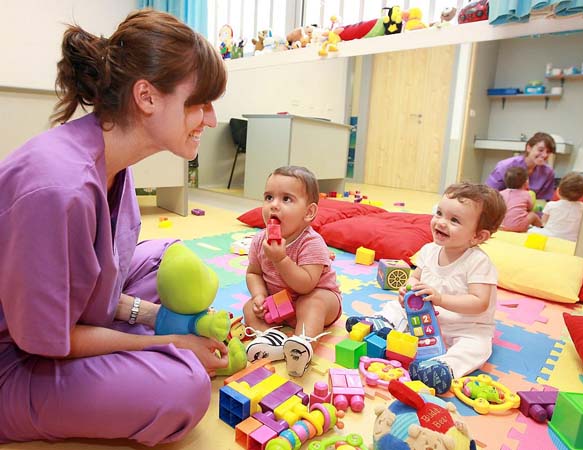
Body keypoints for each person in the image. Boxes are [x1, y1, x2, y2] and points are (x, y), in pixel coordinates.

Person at [0, 9, 230, 446]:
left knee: (169, 260)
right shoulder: (58, 188)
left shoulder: (112, 163)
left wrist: (154, 317)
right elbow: (47, 339)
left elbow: (99, 271)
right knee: (183, 388)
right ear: (146, 97)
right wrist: (170, 343)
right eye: (199, 102)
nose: (212, 119)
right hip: (16, 359)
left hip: (60, 321)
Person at [394, 183, 506, 395]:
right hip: (427, 320)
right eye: (439, 213)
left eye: (454, 220)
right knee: (394, 307)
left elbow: (479, 302)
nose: (441, 222)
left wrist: (441, 298)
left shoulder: (477, 262)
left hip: (467, 328)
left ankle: (442, 368)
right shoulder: (429, 250)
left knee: (477, 348)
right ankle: (382, 324)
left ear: (478, 236)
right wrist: (406, 290)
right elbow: (415, 277)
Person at [243, 166, 342, 377]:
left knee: (311, 302)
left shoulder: (312, 242)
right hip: (280, 304)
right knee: (249, 308)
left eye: (286, 199)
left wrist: (280, 259)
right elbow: (253, 273)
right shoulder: (260, 240)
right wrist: (259, 295)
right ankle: (271, 340)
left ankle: (302, 345)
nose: (274, 206)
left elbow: (306, 284)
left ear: (309, 212)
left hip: (319, 300)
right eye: (269, 197)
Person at [486, 132, 556, 201]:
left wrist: (534, 212)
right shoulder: (505, 166)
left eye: (548, 152)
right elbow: (489, 195)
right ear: (529, 148)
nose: (544, 155)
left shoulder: (548, 173)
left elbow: (543, 201)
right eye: (540, 150)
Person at [529, 172, 583, 241]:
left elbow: (543, 223)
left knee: (531, 230)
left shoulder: (551, 205)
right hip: (572, 239)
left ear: (558, 191)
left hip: (550, 236)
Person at [499, 166, 542, 232]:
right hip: (517, 227)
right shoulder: (526, 194)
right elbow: (530, 208)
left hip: (499, 226)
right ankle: (541, 229)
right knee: (533, 215)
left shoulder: (500, 193)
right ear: (526, 182)